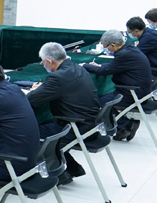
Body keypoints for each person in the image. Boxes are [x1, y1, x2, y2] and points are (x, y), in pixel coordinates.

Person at [24, 42, 100, 184]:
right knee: (46, 123)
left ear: (49, 61)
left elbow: (31, 100)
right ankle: (71, 168)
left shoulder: (58, 77)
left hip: (76, 127)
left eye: (42, 62)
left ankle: (59, 173)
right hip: (90, 122)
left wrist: (35, 91)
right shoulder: (77, 67)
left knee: (27, 133)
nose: (42, 64)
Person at [82, 30, 152, 141]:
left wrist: (85, 65)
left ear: (113, 45)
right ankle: (123, 126)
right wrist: (99, 65)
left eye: (105, 46)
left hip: (133, 92)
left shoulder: (124, 54)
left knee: (97, 104)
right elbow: (115, 66)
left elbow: (104, 71)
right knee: (103, 99)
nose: (105, 49)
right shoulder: (129, 49)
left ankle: (126, 124)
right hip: (139, 89)